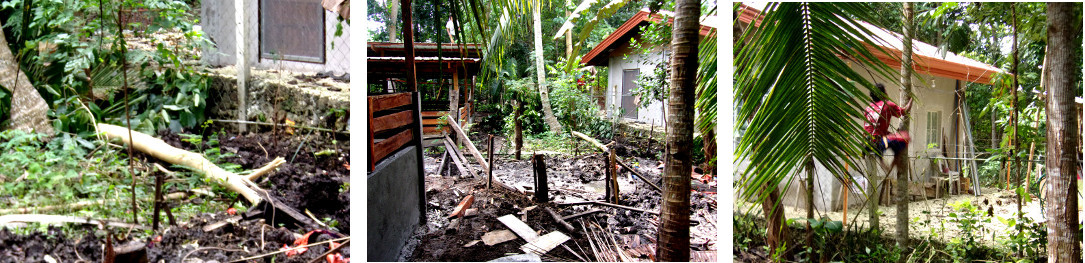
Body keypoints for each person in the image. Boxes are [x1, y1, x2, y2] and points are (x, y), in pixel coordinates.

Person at [864, 83, 912, 175]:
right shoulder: (888, 105)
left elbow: (870, 128)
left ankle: (881, 159)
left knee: (891, 136)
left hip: (868, 143)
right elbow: (905, 111)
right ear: (883, 94)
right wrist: (912, 99)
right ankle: (896, 163)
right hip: (880, 143)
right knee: (905, 137)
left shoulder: (868, 108)